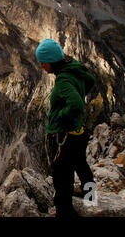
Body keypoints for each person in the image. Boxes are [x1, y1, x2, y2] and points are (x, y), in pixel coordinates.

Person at [35, 38, 96, 217]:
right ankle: (92, 199)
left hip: (63, 136)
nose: (41, 65)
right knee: (81, 164)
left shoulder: (63, 81)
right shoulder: (73, 67)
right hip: (79, 131)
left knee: (62, 175)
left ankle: (64, 211)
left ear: (52, 61)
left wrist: (63, 115)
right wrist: (81, 91)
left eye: (43, 62)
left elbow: (76, 104)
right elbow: (90, 80)